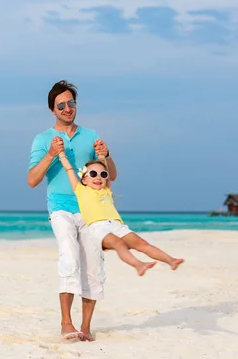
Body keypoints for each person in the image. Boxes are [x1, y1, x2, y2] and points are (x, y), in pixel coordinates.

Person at [27, 80, 117, 342]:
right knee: (69, 258)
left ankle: (85, 328)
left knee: (93, 265)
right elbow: (32, 180)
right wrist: (52, 155)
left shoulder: (90, 135)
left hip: (91, 208)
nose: (68, 108)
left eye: (71, 103)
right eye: (61, 105)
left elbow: (111, 175)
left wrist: (107, 155)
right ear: (52, 110)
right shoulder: (43, 139)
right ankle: (66, 323)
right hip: (60, 206)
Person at [58, 153, 185, 277]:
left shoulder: (106, 190)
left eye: (103, 174)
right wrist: (61, 153)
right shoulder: (81, 190)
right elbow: (69, 170)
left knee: (142, 243)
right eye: (93, 174)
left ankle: (171, 261)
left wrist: (101, 155)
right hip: (98, 227)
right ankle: (138, 265)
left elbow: (105, 168)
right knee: (119, 244)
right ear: (84, 179)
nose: (98, 177)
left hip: (118, 225)